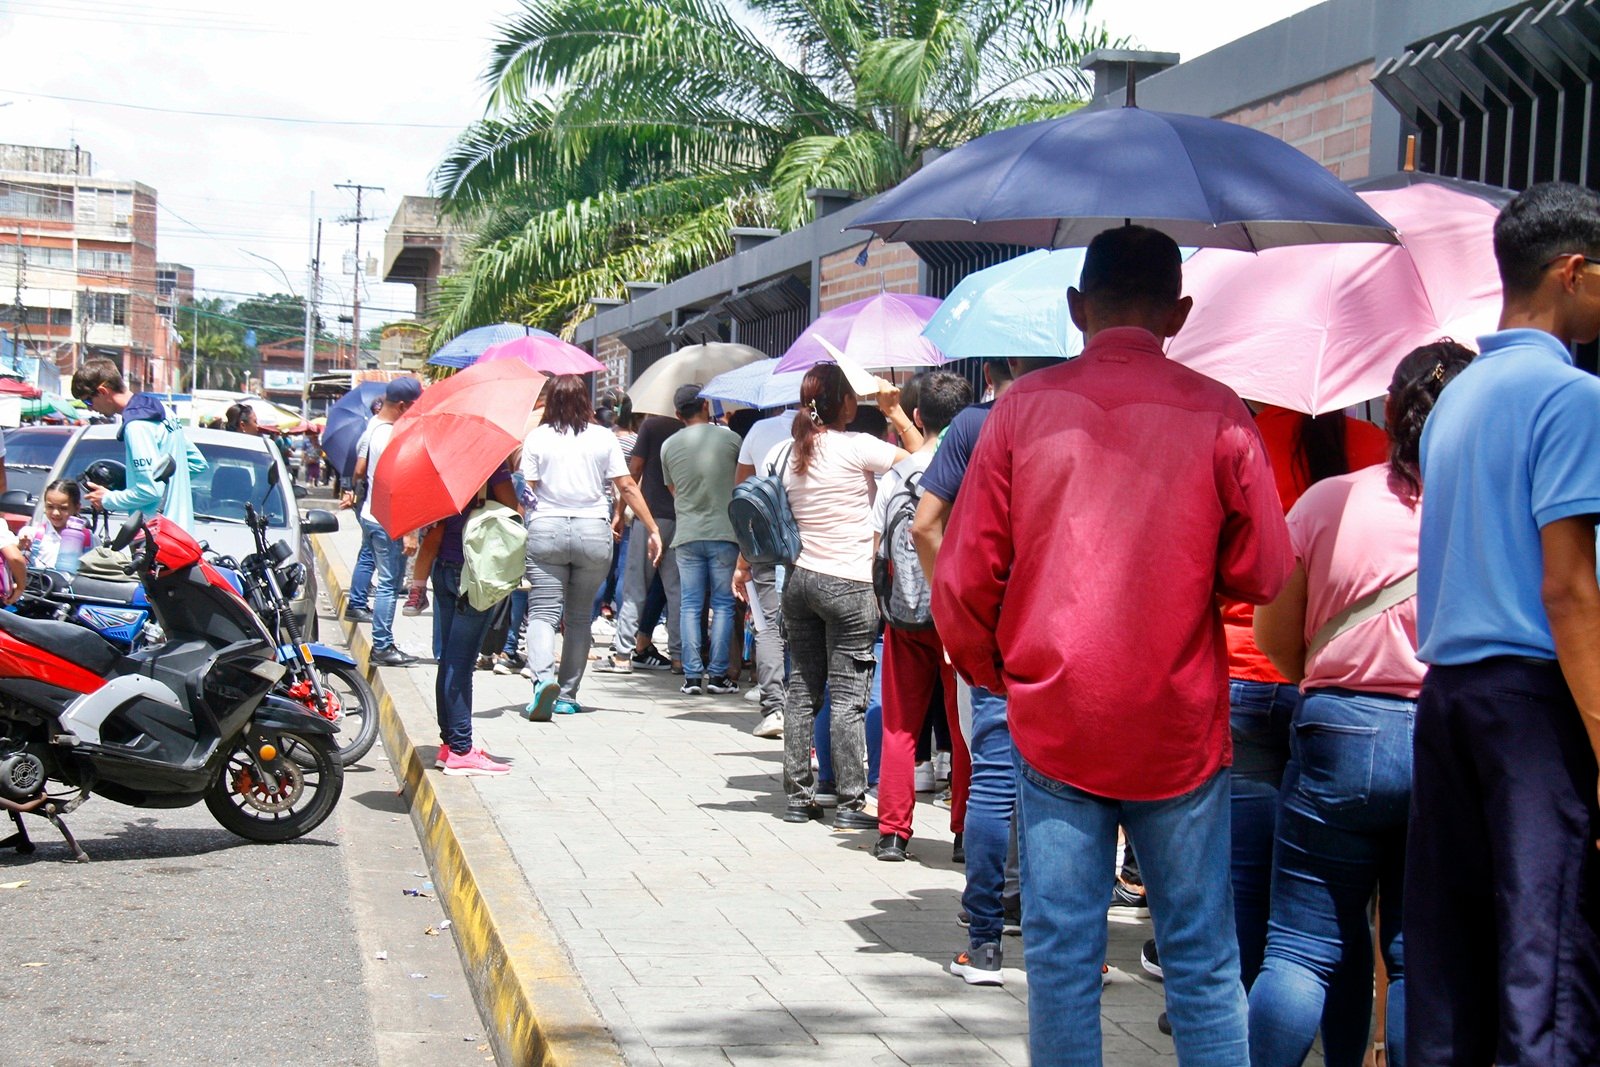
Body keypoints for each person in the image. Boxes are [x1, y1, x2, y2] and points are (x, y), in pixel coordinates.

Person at [936, 226, 1292, 1063]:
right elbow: (1268, 569)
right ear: (1179, 311)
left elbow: (962, 577)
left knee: (1061, 959)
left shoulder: (1020, 408)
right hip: (1180, 724)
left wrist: (997, 672)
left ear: (1073, 307)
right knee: (1204, 962)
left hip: (1056, 711)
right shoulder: (1219, 411)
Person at [1406, 182, 1600, 1066]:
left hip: (1446, 698)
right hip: (1532, 703)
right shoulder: (1571, 398)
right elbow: (1569, 587)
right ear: (1572, 271)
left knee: (1452, 958)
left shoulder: (1458, 399)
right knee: (1544, 959)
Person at [1248, 341, 1475, 1067]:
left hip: (1336, 729)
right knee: (1418, 955)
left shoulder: (1329, 500)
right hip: (1444, 739)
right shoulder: (1490, 511)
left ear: (1392, 410)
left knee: (1300, 947)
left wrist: (1329, 677)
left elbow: (1276, 635)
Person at [771, 363, 910, 828]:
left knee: (802, 690)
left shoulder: (788, 452)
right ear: (844, 402)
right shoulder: (859, 446)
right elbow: (921, 460)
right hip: (849, 584)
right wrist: (894, 412)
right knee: (848, 697)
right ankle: (851, 801)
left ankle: (797, 796)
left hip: (799, 582)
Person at [520, 375, 662, 720]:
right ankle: (567, 696)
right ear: (585, 400)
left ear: (551, 401)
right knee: (580, 617)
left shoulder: (537, 437)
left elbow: (527, 490)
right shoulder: (603, 437)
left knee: (542, 613)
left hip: (547, 529)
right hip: (592, 531)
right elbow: (626, 485)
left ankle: (542, 681)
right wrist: (653, 528)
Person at [872, 371, 972, 862]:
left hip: (904, 612)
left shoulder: (896, 474)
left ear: (917, 418)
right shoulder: (974, 468)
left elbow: (877, 548)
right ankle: (965, 830)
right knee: (964, 727)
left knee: (900, 724)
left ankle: (893, 831)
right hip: (958, 615)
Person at [416, 468, 520, 776]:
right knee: (460, 663)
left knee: (448, 658)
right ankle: (461, 749)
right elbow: (512, 509)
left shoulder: (439, 467)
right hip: (474, 571)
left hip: (445, 567)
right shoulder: (488, 466)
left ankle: (449, 744)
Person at [660, 384, 743, 696]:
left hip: (688, 532)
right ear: (706, 406)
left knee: (690, 604)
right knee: (723, 603)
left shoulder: (668, 446)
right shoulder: (731, 439)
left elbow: (674, 491)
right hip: (726, 531)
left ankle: (692, 676)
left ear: (678, 414)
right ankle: (719, 676)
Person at [72, 357, 207, 531]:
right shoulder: (163, 411)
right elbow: (197, 464)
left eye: (88, 401)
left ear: (103, 391)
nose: (90, 409)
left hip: (157, 538)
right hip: (182, 534)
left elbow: (150, 490)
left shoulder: (136, 426)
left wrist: (107, 499)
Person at [341, 377, 422, 666]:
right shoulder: (392, 436)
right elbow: (399, 485)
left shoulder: (376, 430)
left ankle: (380, 639)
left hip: (372, 515)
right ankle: (383, 646)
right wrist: (410, 530)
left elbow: (362, 471)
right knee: (389, 584)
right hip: (388, 520)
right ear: (402, 406)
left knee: (377, 571)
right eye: (414, 406)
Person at [598, 405, 683, 673]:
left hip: (650, 518)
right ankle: (681, 658)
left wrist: (619, 511)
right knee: (677, 591)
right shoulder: (688, 429)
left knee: (636, 586)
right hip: (681, 520)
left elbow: (633, 471)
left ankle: (623, 654)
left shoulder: (652, 426)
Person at [732, 404, 800, 739]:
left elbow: (742, 490)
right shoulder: (829, 438)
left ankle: (775, 707)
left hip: (768, 543)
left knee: (770, 626)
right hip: (812, 546)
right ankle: (804, 708)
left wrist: (742, 557)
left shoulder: (761, 432)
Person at [18, 479, 97, 568]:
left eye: (63, 508)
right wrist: (20, 546)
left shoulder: (89, 539)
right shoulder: (32, 534)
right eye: (50, 507)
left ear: (77, 508)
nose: (55, 513)